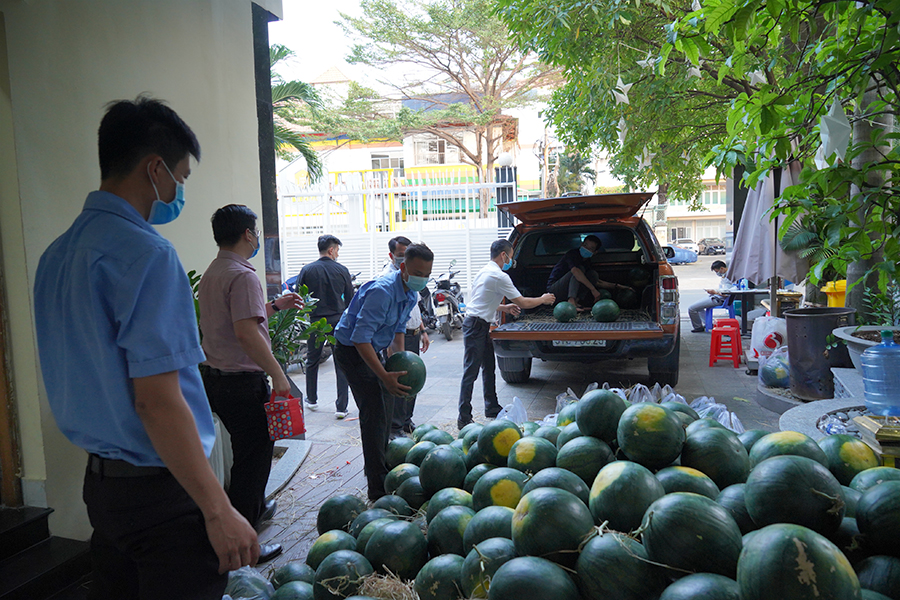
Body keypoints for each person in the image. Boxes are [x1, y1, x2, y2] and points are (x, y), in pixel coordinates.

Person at [33, 96, 258, 599]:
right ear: (155, 169)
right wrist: (218, 509)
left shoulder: (57, 254)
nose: (179, 191)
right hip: (162, 495)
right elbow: (156, 400)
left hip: (104, 490)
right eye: (180, 176)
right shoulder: (148, 255)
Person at [198, 204, 303, 560]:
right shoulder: (243, 275)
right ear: (247, 233)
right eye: (255, 231)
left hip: (217, 380)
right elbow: (246, 333)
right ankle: (246, 545)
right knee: (252, 460)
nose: (256, 237)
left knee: (247, 455)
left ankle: (255, 509)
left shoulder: (215, 271)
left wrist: (274, 306)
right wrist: (277, 373)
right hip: (242, 383)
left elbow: (235, 322)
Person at [333, 243, 434, 500]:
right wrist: (383, 375)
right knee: (375, 412)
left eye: (427, 274)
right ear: (403, 268)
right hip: (352, 351)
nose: (422, 279)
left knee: (387, 408)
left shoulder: (411, 294)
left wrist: (398, 366)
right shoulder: (382, 292)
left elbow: (398, 331)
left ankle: (383, 463)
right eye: (417, 272)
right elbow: (359, 338)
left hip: (372, 347)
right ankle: (377, 486)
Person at [458, 240, 556, 429]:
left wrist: (504, 307)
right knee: (470, 372)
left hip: (478, 323)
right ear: (504, 255)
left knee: (488, 367)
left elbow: (482, 300)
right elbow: (524, 302)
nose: (511, 260)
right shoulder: (499, 276)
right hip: (476, 326)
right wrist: (543, 299)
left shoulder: (484, 271)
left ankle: (491, 406)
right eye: (510, 256)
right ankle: (463, 418)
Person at [296, 234, 354, 418]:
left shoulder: (307, 270)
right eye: (337, 250)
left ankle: (311, 399)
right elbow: (351, 300)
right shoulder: (342, 270)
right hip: (338, 322)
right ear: (331, 250)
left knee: (312, 361)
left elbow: (299, 296)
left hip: (316, 323)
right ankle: (341, 407)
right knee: (341, 363)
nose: (337, 253)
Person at [379, 236, 430, 437]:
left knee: (412, 381)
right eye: (401, 255)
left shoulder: (412, 281)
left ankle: (406, 421)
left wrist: (423, 331)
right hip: (396, 335)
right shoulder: (387, 281)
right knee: (399, 379)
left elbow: (413, 306)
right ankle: (395, 426)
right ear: (392, 256)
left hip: (413, 332)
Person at [546, 235, 631, 309]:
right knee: (580, 270)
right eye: (585, 245)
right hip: (554, 291)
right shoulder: (572, 254)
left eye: (590, 248)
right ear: (581, 244)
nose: (586, 249)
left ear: (595, 252)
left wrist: (617, 286)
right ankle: (571, 301)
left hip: (566, 291)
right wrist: (593, 290)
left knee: (592, 274)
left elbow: (596, 281)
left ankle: (577, 301)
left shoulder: (587, 261)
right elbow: (576, 272)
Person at [688, 260, 735, 332]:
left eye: (717, 271)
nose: (717, 273)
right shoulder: (726, 276)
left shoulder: (730, 277)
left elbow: (726, 293)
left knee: (691, 309)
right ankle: (708, 324)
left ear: (722, 268)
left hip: (718, 299)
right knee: (698, 308)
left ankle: (698, 327)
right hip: (716, 296)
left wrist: (715, 292)